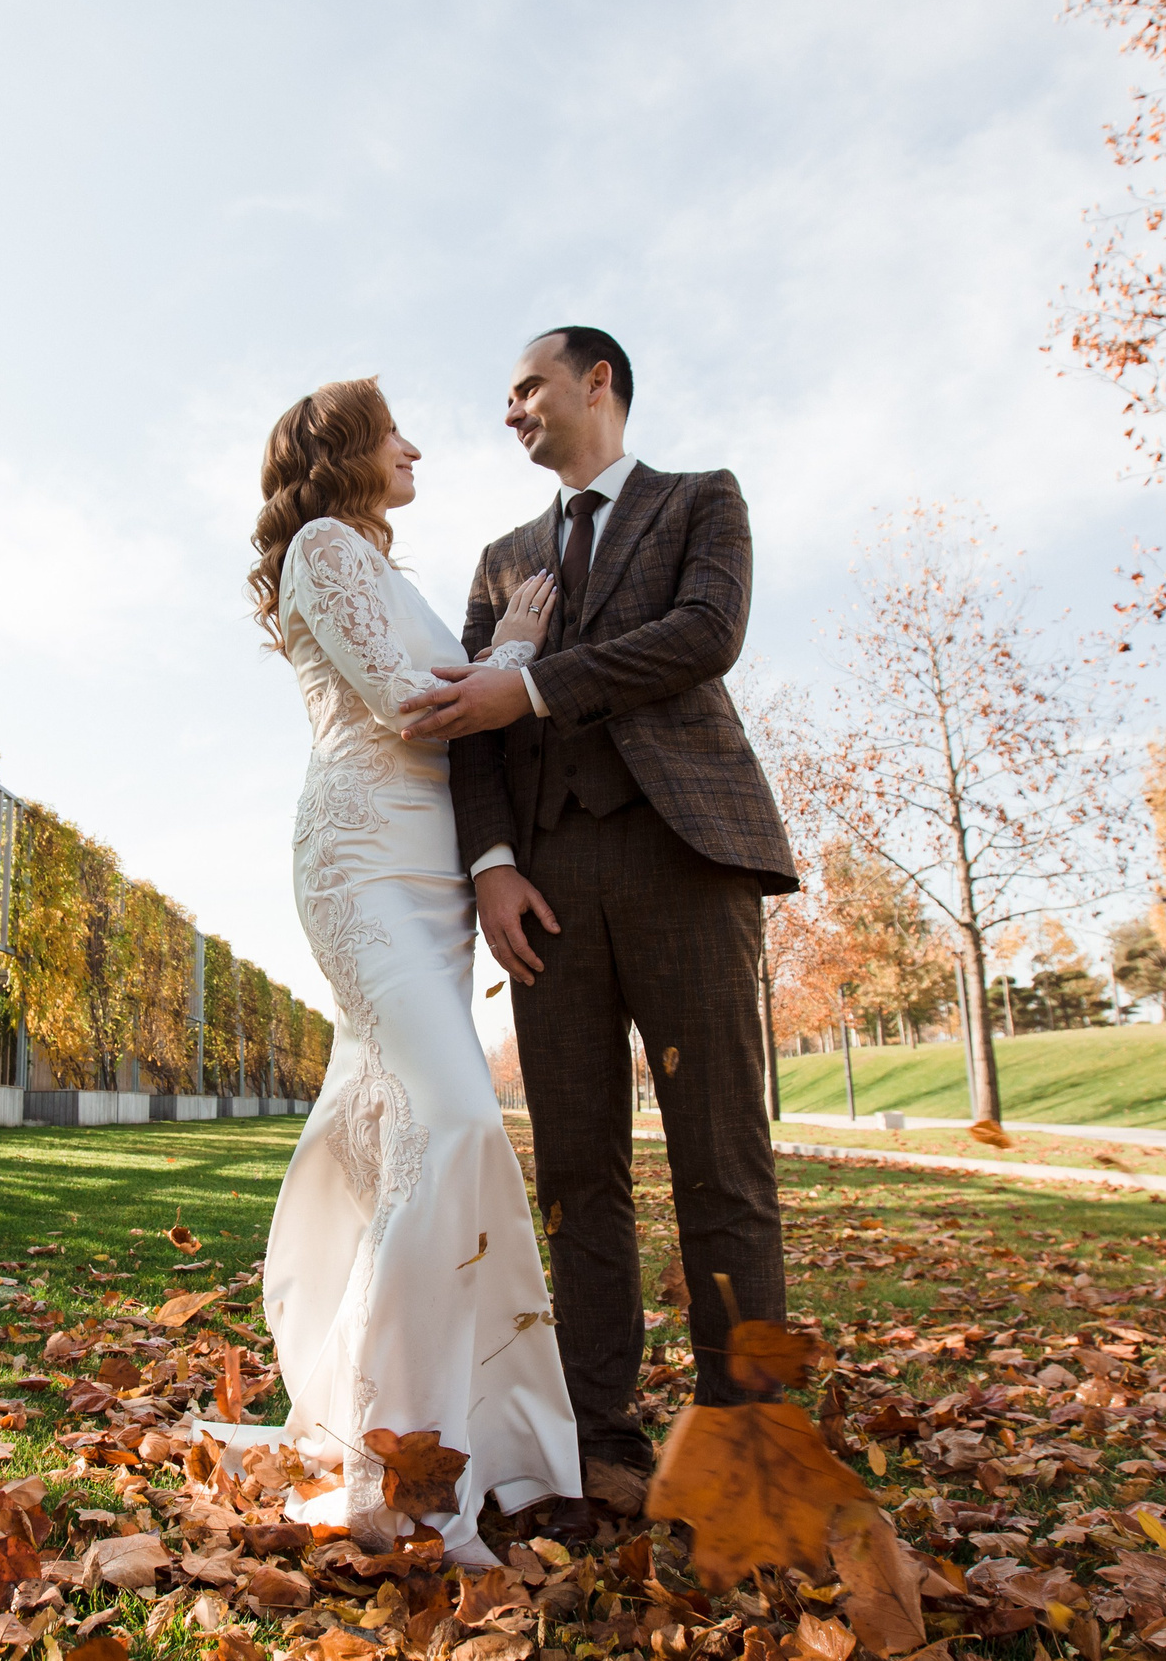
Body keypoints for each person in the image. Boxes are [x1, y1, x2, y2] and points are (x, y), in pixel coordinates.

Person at [398, 327, 798, 1533]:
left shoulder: (699, 502)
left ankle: (751, 1447)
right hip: (548, 891)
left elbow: (702, 637)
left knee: (722, 1161)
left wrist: (533, 682)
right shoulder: (499, 557)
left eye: (525, 387)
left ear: (596, 382)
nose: (510, 411)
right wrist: (494, 865)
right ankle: (599, 1445)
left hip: (687, 859)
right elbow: (467, 723)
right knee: (577, 1174)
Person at [251, 376, 581, 1564]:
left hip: (437, 888)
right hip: (362, 872)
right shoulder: (323, 546)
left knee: (394, 1136)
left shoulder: (382, 567)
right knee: (451, 1123)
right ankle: (401, 1450)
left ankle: (439, 1429)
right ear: (342, 449)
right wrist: (518, 651)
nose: (417, 451)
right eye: (396, 435)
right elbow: (408, 701)